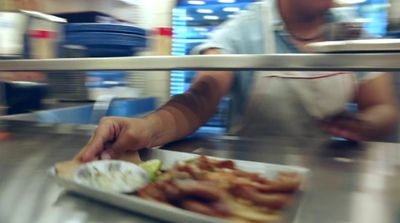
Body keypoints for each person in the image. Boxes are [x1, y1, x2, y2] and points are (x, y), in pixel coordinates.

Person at [78, 0, 399, 162]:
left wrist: (364, 125)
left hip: (335, 176)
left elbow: (383, 106)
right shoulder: (242, 32)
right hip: (257, 180)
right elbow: (200, 98)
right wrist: (145, 129)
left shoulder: (351, 33)